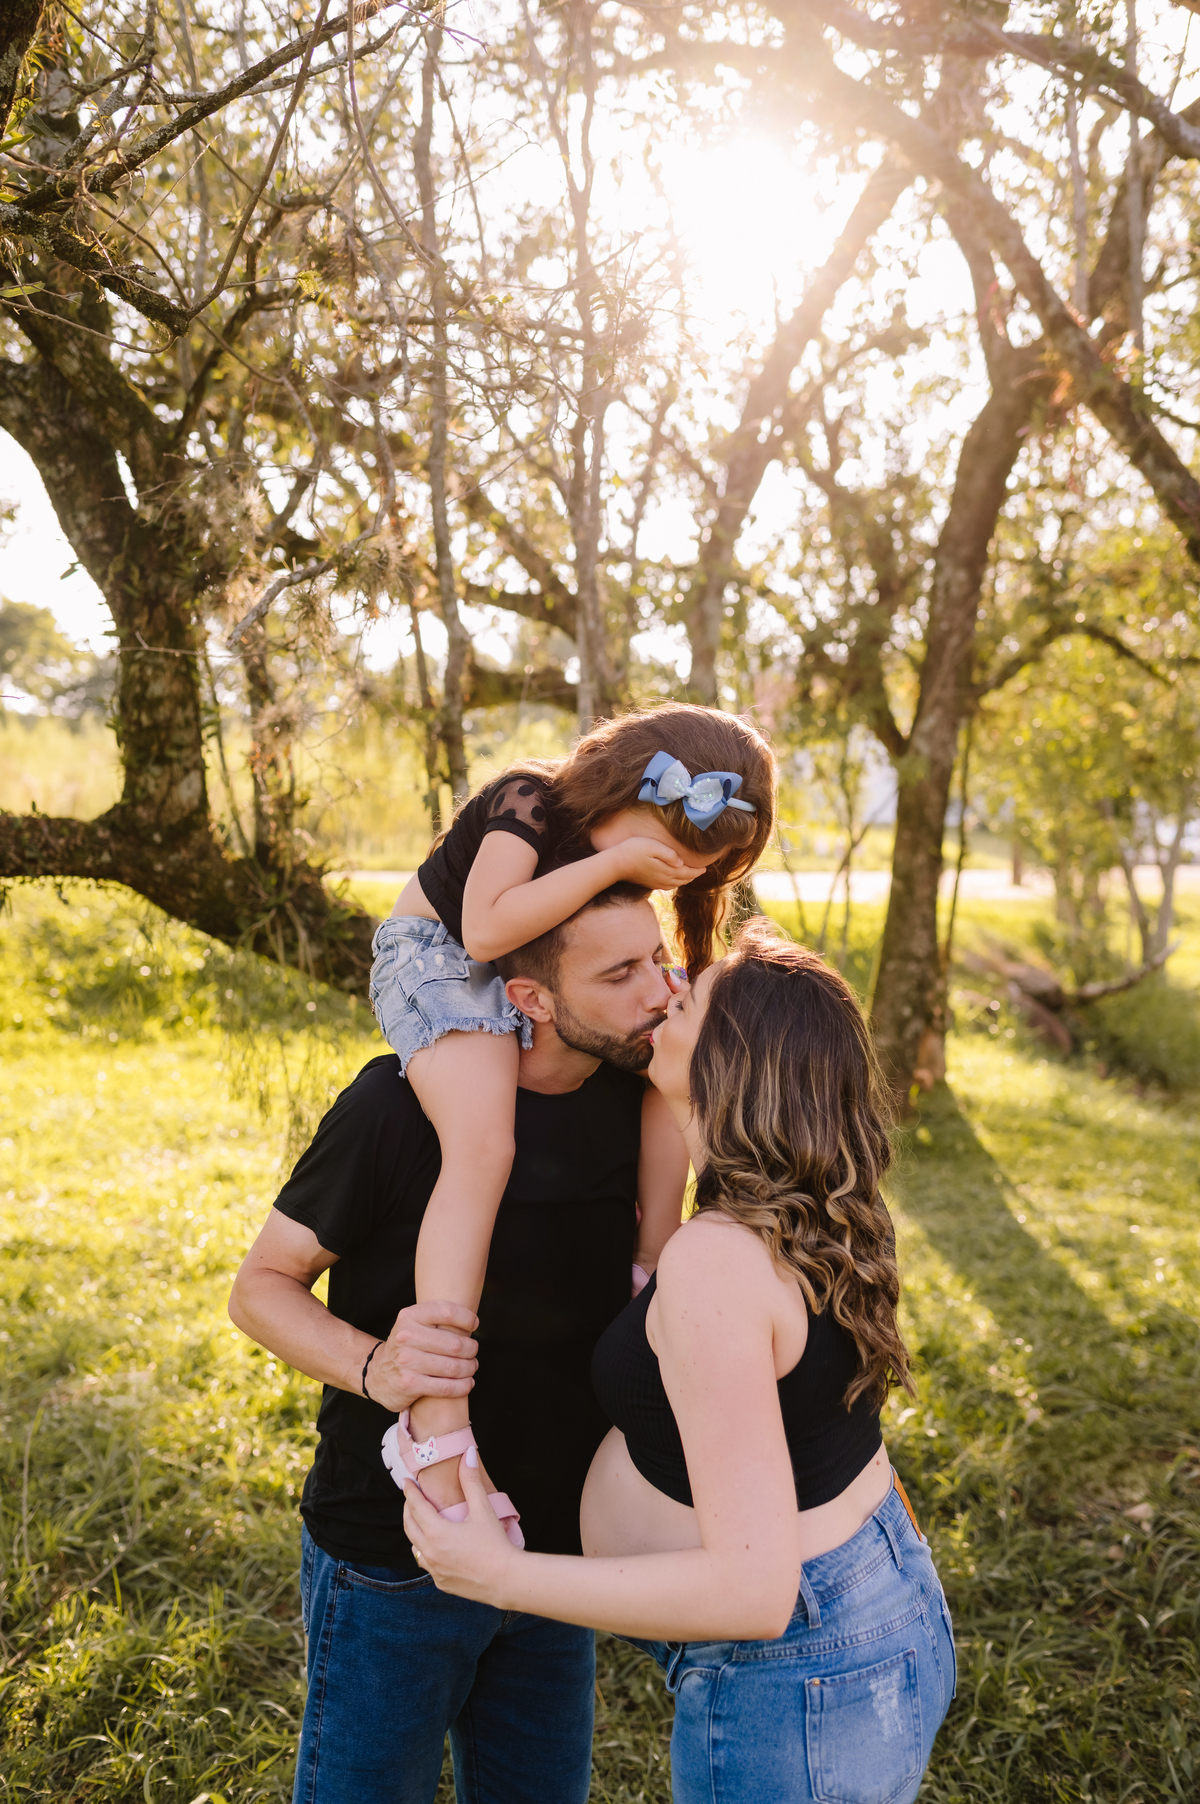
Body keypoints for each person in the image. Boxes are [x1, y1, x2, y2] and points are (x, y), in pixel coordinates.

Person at [401, 921, 957, 1804]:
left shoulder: (721, 1258)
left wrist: (498, 1575)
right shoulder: (812, 1202)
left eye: (685, 995)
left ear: (729, 1058)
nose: (662, 994)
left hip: (798, 1671)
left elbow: (754, 1591)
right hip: (877, 1590)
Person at [228, 883, 684, 1804]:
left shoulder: (643, 1102)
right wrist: (373, 1364)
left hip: (555, 1562)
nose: (661, 991)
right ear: (532, 999)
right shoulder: (397, 1104)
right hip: (395, 1557)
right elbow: (260, 1290)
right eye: (623, 972)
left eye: (660, 959)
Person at [368, 703, 776, 1532]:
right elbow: (483, 933)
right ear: (628, 793)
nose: (676, 878)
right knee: (483, 1146)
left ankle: (649, 1264)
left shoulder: (642, 867)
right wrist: (618, 861)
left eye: (697, 871)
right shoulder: (530, 800)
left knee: (667, 1056)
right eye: (669, 856)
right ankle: (438, 1424)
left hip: (541, 964)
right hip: (444, 959)